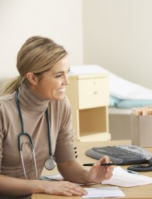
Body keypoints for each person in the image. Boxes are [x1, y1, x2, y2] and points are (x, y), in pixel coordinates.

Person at [0, 36, 114, 198]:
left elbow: (67, 164)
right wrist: (42, 185)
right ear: (32, 78)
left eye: (67, 73)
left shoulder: (60, 105)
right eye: (58, 75)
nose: (66, 81)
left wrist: (89, 176)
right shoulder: (3, 112)